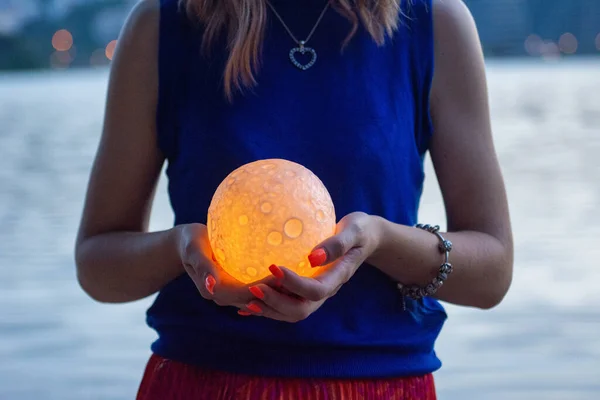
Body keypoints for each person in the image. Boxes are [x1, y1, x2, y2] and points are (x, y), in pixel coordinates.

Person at [75, 0, 513, 398]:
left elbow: (492, 273)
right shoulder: (164, 26)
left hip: (381, 383)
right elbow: (97, 265)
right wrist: (182, 248)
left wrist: (382, 241)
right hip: (203, 382)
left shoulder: (433, 22)